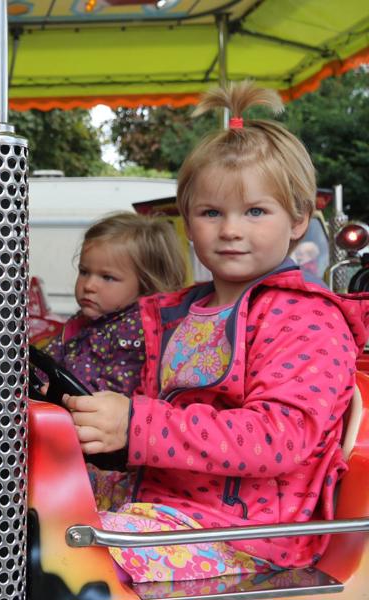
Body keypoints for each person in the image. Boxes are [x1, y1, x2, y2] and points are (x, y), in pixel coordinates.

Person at [63, 81, 369, 584]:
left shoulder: (307, 319)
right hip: (164, 508)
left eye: (255, 211)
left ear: (297, 220)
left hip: (247, 536)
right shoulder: (178, 312)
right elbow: (153, 415)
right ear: (187, 221)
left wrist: (136, 425)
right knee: (25, 513)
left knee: (68, 562)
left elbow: (279, 437)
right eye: (211, 213)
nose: (230, 229)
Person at [46, 212, 186, 396]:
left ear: (146, 285)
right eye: (84, 272)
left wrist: (59, 394)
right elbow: (48, 362)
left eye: (107, 277)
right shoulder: (82, 322)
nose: (88, 286)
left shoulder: (137, 334)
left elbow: (115, 392)